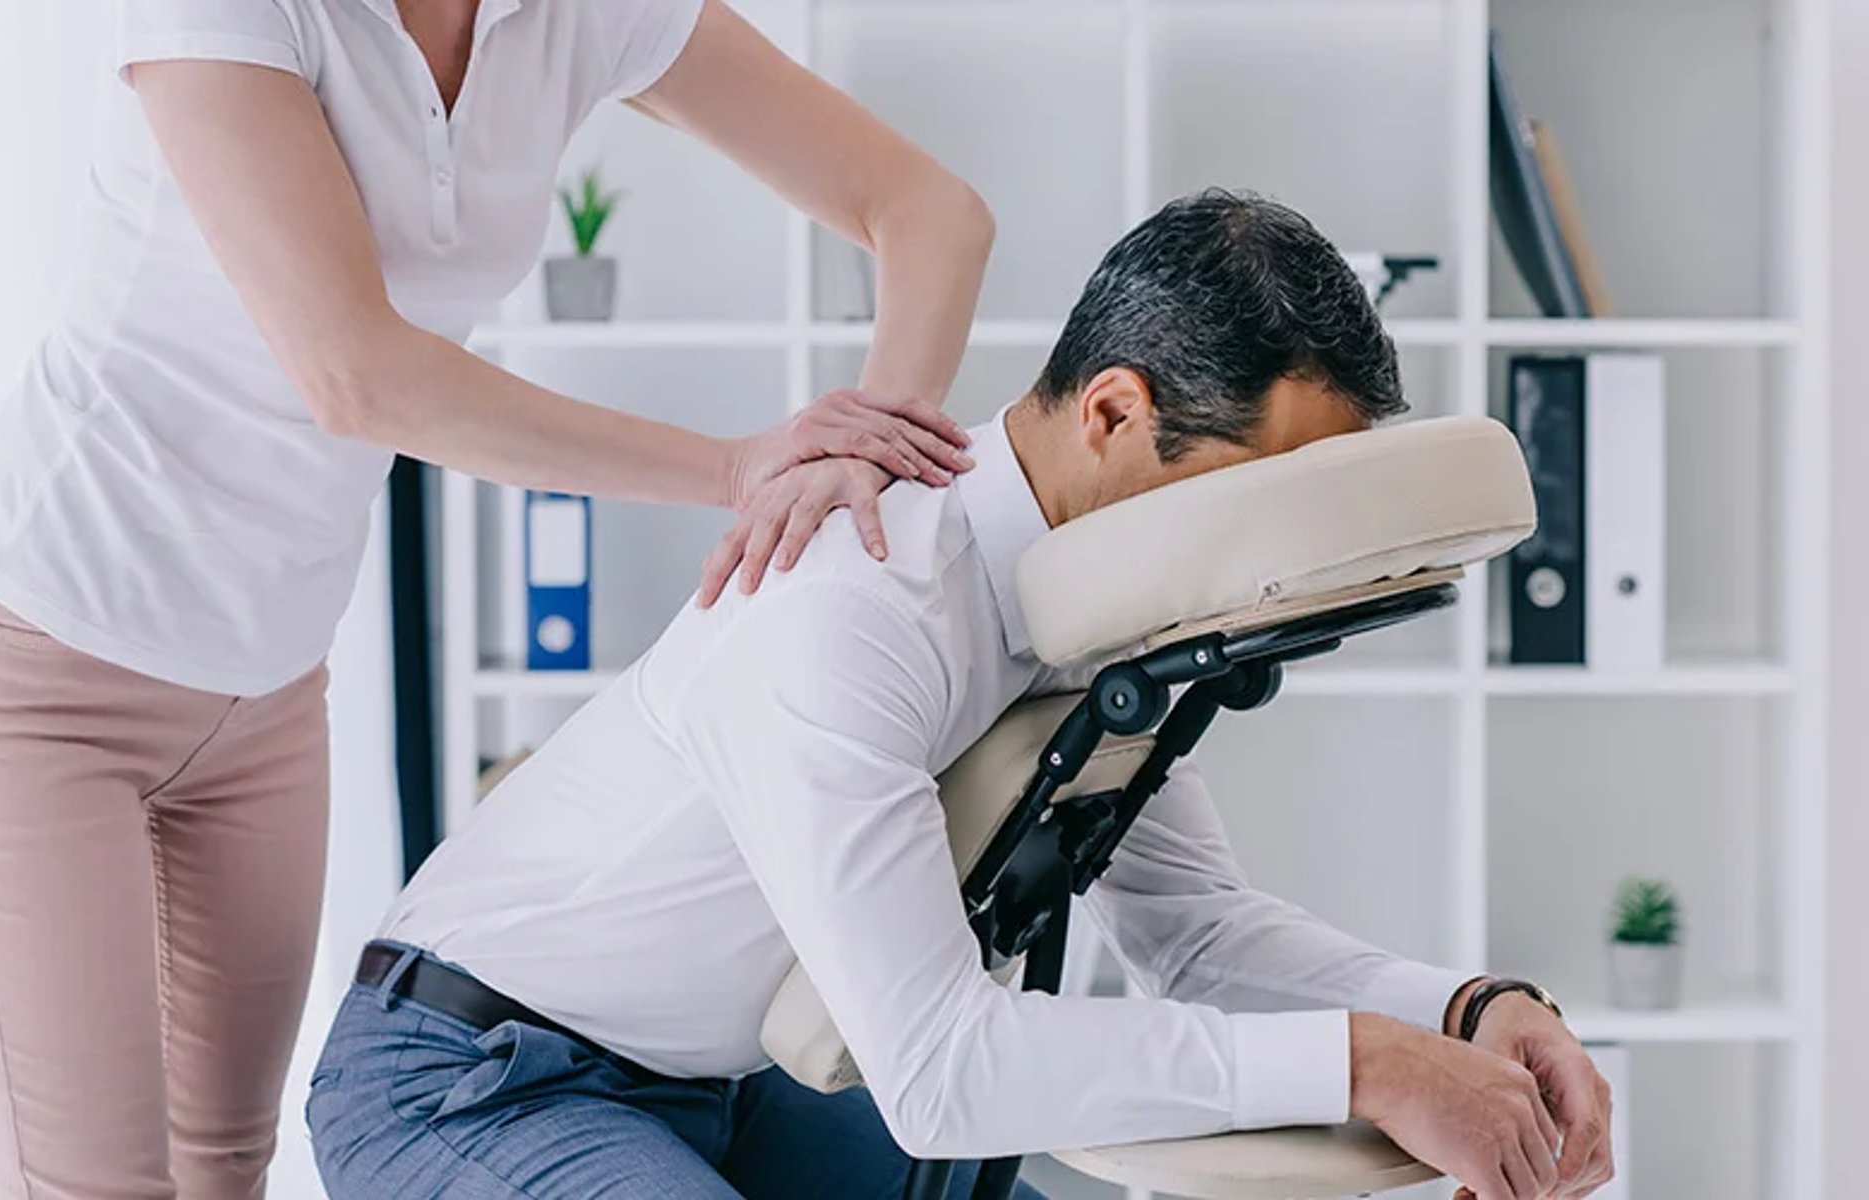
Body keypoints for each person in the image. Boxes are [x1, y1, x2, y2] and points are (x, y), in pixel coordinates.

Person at [305, 191, 1617, 1200]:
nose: (1269, 556)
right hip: (474, 1078)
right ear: (1113, 413)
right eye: (1253, 491)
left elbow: (1198, 937)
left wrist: (1464, 1012)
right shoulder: (856, 604)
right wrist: (1366, 1063)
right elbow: (939, 1073)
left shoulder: (1109, 619)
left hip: (720, 1079)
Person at [0, 1, 993, 1195]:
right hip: (47, 666)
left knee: (226, 1165)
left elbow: (929, 212)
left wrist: (861, 467)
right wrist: (735, 468)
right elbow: (357, 373)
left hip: (271, 688)